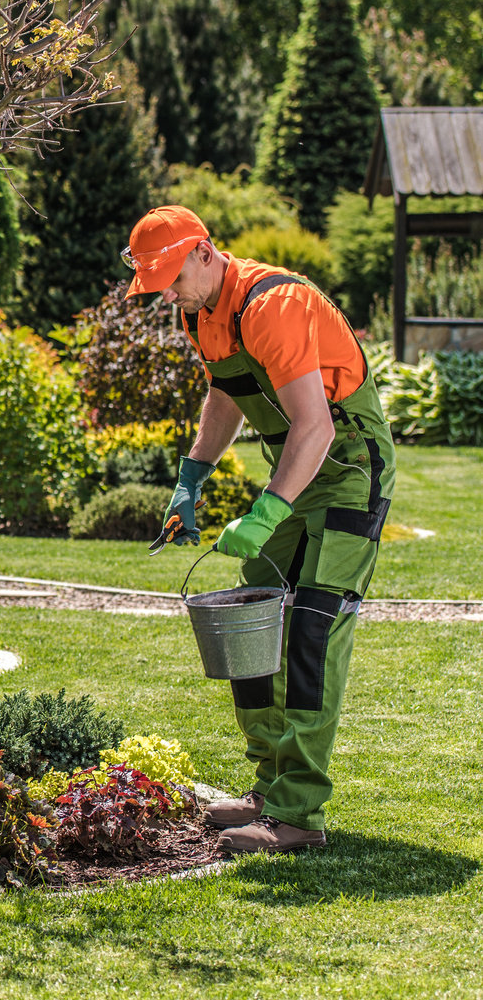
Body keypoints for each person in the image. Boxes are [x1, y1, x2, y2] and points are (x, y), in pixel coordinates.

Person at [125, 205, 396, 854]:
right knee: (254, 616)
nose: (168, 292)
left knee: (312, 625)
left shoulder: (272, 304)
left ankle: (298, 813)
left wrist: (268, 509)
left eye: (171, 276)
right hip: (300, 469)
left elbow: (317, 426)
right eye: (156, 282)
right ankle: (269, 784)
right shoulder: (200, 314)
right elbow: (226, 395)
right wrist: (190, 480)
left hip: (349, 465)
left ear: (203, 251)